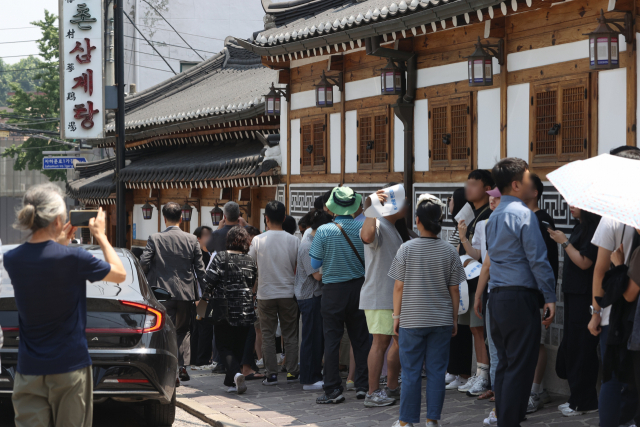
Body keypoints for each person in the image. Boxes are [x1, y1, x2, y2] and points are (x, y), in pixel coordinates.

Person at [3, 184, 126, 427]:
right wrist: (100, 235)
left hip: (28, 368)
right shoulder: (74, 258)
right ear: (59, 220)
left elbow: (44, 261)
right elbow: (120, 274)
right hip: (69, 366)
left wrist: (59, 242)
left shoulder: (12, 259)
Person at [484, 158, 556, 427]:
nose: (531, 182)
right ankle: (510, 421)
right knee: (520, 367)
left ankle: (504, 417)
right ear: (516, 185)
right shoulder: (524, 214)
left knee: (504, 364)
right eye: (527, 179)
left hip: (498, 297)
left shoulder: (494, 217)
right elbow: (538, 259)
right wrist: (550, 296)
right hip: (519, 297)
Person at [389, 193, 465, 427]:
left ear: (418, 221)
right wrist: (453, 319)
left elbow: (399, 287)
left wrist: (396, 317)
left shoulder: (406, 249)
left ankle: (406, 422)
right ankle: (432, 420)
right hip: (441, 320)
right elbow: (455, 290)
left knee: (411, 373)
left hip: (412, 320)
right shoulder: (450, 251)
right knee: (436, 372)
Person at [588, 146, 640, 427]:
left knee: (610, 376)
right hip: (633, 311)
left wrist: (596, 311)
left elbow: (599, 271)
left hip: (614, 313)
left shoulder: (612, 217)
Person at [310, 186, 371, 404]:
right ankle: (363, 386)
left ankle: (333, 389)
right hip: (359, 288)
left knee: (332, 340)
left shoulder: (324, 231)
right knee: (361, 340)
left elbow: (314, 263)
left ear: (333, 207)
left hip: (333, 290)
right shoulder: (364, 227)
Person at [140, 202, 207, 383]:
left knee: (165, 329)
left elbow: (144, 262)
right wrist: (205, 295)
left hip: (162, 292)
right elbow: (200, 270)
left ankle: (170, 370)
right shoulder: (192, 240)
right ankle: (183, 367)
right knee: (184, 330)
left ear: (163, 218)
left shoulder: (155, 238)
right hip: (186, 293)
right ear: (181, 218)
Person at [548, 207, 600, 416]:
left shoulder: (596, 228)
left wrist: (564, 242)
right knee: (573, 344)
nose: (571, 206)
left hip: (585, 295)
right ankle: (576, 398)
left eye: (576, 203)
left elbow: (585, 262)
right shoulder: (580, 225)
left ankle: (585, 401)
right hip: (573, 293)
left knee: (582, 347)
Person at [360, 184, 408, 407]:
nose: (407, 204)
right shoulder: (378, 223)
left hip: (392, 296)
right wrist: (372, 206)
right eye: (403, 200)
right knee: (380, 343)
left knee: (396, 342)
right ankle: (373, 392)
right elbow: (366, 235)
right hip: (380, 295)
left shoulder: (394, 228)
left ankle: (391, 387)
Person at [249, 201, 300, 386]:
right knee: (290, 334)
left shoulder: (258, 240)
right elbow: (297, 266)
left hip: (265, 293)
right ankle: (292, 372)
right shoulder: (294, 240)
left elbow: (251, 264)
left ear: (266, 218)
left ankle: (271, 374)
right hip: (288, 292)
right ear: (284, 218)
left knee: (268, 334)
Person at [452, 170, 494, 397]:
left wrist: (464, 240)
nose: (468, 188)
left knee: (480, 329)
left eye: (473, 184)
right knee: (474, 329)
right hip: (468, 279)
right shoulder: (472, 212)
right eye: (467, 183)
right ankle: (479, 373)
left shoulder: (489, 213)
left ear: (487, 189)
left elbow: (480, 255)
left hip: (481, 279)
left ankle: (485, 376)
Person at [203, 226, 258, 394]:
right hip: (246, 310)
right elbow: (252, 283)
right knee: (237, 347)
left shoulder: (221, 257)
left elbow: (208, 281)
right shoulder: (250, 260)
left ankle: (235, 374)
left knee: (224, 346)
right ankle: (232, 381)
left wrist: (203, 302)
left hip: (225, 310)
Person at [522, 173, 558, 412]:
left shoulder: (542, 219)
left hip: (537, 293)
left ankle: (536, 390)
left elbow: (547, 261)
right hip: (522, 292)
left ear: (535, 193)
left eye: (524, 185)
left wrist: (547, 295)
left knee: (538, 342)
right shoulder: (522, 217)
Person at [473, 189, 502, 425]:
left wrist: (479, 294)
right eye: (490, 196)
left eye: (497, 196)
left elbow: (487, 264)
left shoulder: (494, 223)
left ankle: (500, 409)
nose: (492, 199)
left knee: (498, 352)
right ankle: (509, 403)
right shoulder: (525, 220)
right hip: (517, 294)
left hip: (499, 294)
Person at [295, 209, 333, 390]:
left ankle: (313, 375)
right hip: (309, 296)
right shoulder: (307, 245)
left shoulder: (312, 240)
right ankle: (309, 379)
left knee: (315, 337)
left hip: (313, 296)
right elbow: (317, 276)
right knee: (311, 338)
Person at [445, 187, 473, 389]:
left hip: (463, 284)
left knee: (462, 330)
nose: (449, 204)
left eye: (451, 200)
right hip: (455, 281)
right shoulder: (458, 225)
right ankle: (454, 370)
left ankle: (462, 372)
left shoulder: (465, 225)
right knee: (457, 329)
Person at [191, 226, 214, 369]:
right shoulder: (196, 254)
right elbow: (194, 277)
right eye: (206, 235)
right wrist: (196, 297)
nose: (209, 238)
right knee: (202, 327)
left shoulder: (210, 253)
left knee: (203, 327)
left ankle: (198, 359)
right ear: (198, 238)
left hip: (207, 296)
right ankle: (200, 360)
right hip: (201, 297)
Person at [245, 226, 264, 368]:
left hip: (257, 295)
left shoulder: (257, 251)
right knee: (256, 329)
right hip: (254, 296)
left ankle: (259, 358)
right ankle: (259, 358)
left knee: (259, 330)